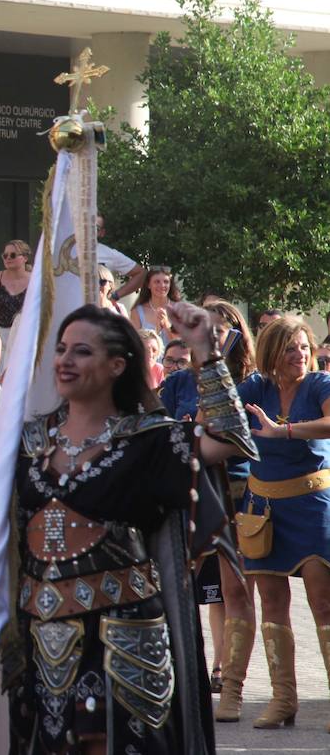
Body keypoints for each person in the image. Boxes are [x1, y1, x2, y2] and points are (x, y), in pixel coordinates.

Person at [2, 303, 253, 752]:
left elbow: (232, 440)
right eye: (61, 350)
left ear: (117, 365)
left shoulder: (149, 439)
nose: (65, 361)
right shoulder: (26, 441)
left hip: (124, 639)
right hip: (39, 638)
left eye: (81, 352)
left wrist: (206, 353)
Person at [159, 299, 261, 722]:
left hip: (239, 492)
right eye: (208, 328)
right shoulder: (178, 382)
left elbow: (238, 437)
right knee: (179, 590)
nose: (215, 335)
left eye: (223, 329)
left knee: (237, 590)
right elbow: (164, 432)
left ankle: (233, 688)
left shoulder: (254, 384)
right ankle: (182, 678)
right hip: (189, 490)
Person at [236, 314, 330, 730]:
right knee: (272, 604)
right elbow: (218, 411)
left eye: (304, 348)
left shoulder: (319, 384)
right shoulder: (256, 387)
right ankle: (282, 700)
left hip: (313, 505)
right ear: (273, 353)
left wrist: (285, 431)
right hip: (264, 507)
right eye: (291, 348)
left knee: (323, 600)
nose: (300, 355)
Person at [130, 266, 181, 345]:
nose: (162, 285)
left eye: (166, 282)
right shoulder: (137, 312)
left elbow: (182, 344)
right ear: (149, 285)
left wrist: (167, 325)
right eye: (157, 282)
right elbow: (135, 344)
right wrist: (156, 330)